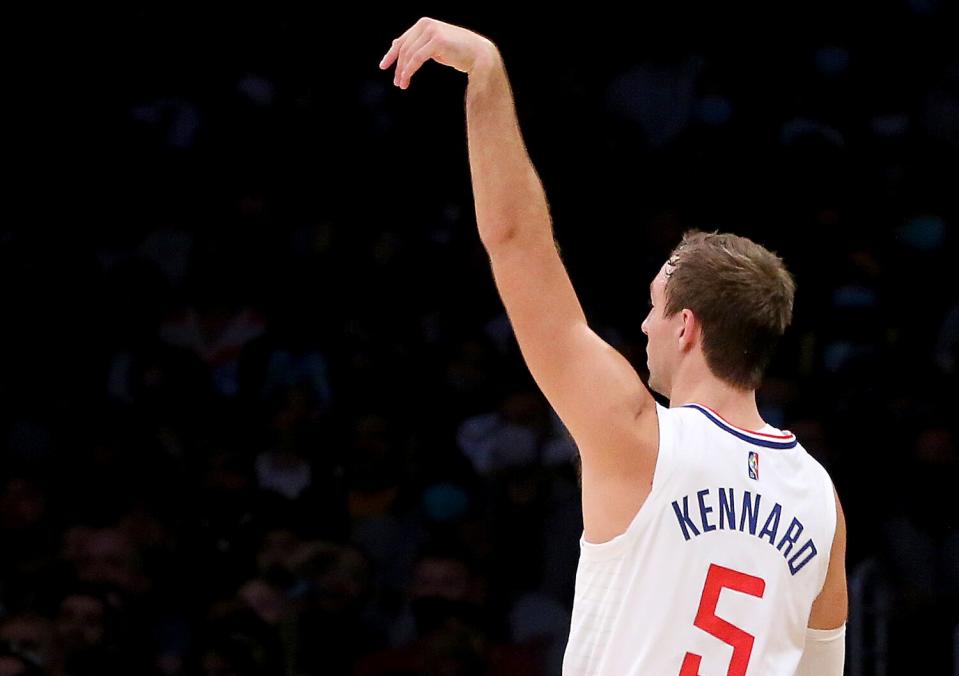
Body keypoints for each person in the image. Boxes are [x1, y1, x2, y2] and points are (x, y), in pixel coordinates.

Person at [380, 18, 847, 675]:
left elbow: (517, 243)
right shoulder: (818, 497)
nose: (643, 326)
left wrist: (485, 72)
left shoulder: (638, 435)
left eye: (653, 307)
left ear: (686, 326)